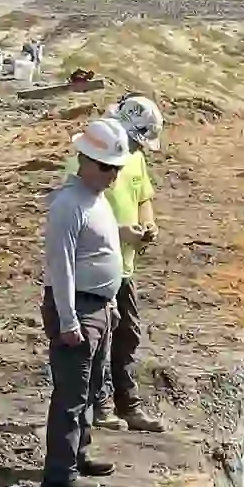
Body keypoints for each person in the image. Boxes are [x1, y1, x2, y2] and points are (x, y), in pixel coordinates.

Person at [62, 95, 168, 434]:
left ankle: (128, 404)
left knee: (128, 334)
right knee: (99, 338)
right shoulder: (92, 162)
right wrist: (119, 231)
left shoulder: (134, 160)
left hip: (123, 267)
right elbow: (81, 212)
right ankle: (101, 405)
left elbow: (143, 196)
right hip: (94, 270)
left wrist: (147, 224)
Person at [39, 118, 131, 487]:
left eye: (117, 168)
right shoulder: (68, 205)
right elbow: (60, 267)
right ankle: (60, 473)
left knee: (91, 387)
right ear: (86, 161)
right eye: (108, 167)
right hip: (77, 307)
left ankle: (79, 454)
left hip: (98, 307)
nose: (114, 175)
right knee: (72, 393)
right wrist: (68, 320)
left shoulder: (96, 200)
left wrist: (111, 304)